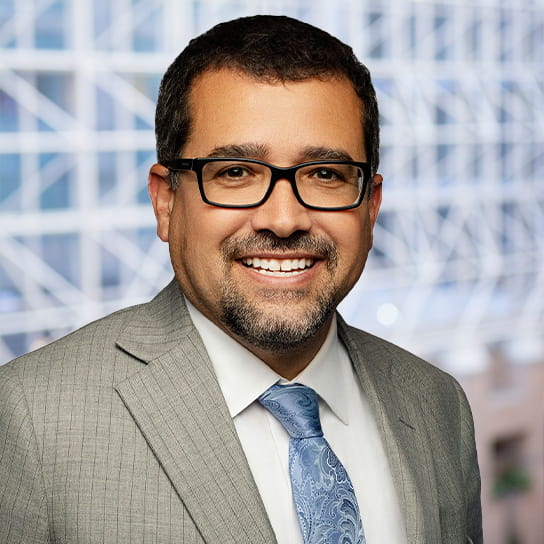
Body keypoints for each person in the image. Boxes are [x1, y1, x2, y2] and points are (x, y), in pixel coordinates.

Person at [0, 15, 482, 544]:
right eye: (235, 172)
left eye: (325, 175)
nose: (284, 219)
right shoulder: (30, 415)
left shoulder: (438, 403)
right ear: (166, 202)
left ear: (370, 207)